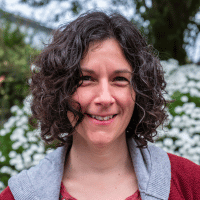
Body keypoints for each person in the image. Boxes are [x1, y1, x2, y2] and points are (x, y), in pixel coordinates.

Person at [1, 11, 200, 200]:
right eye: (86, 79)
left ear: (139, 91)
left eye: (119, 79)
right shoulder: (16, 196)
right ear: (60, 91)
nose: (104, 98)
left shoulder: (191, 185)